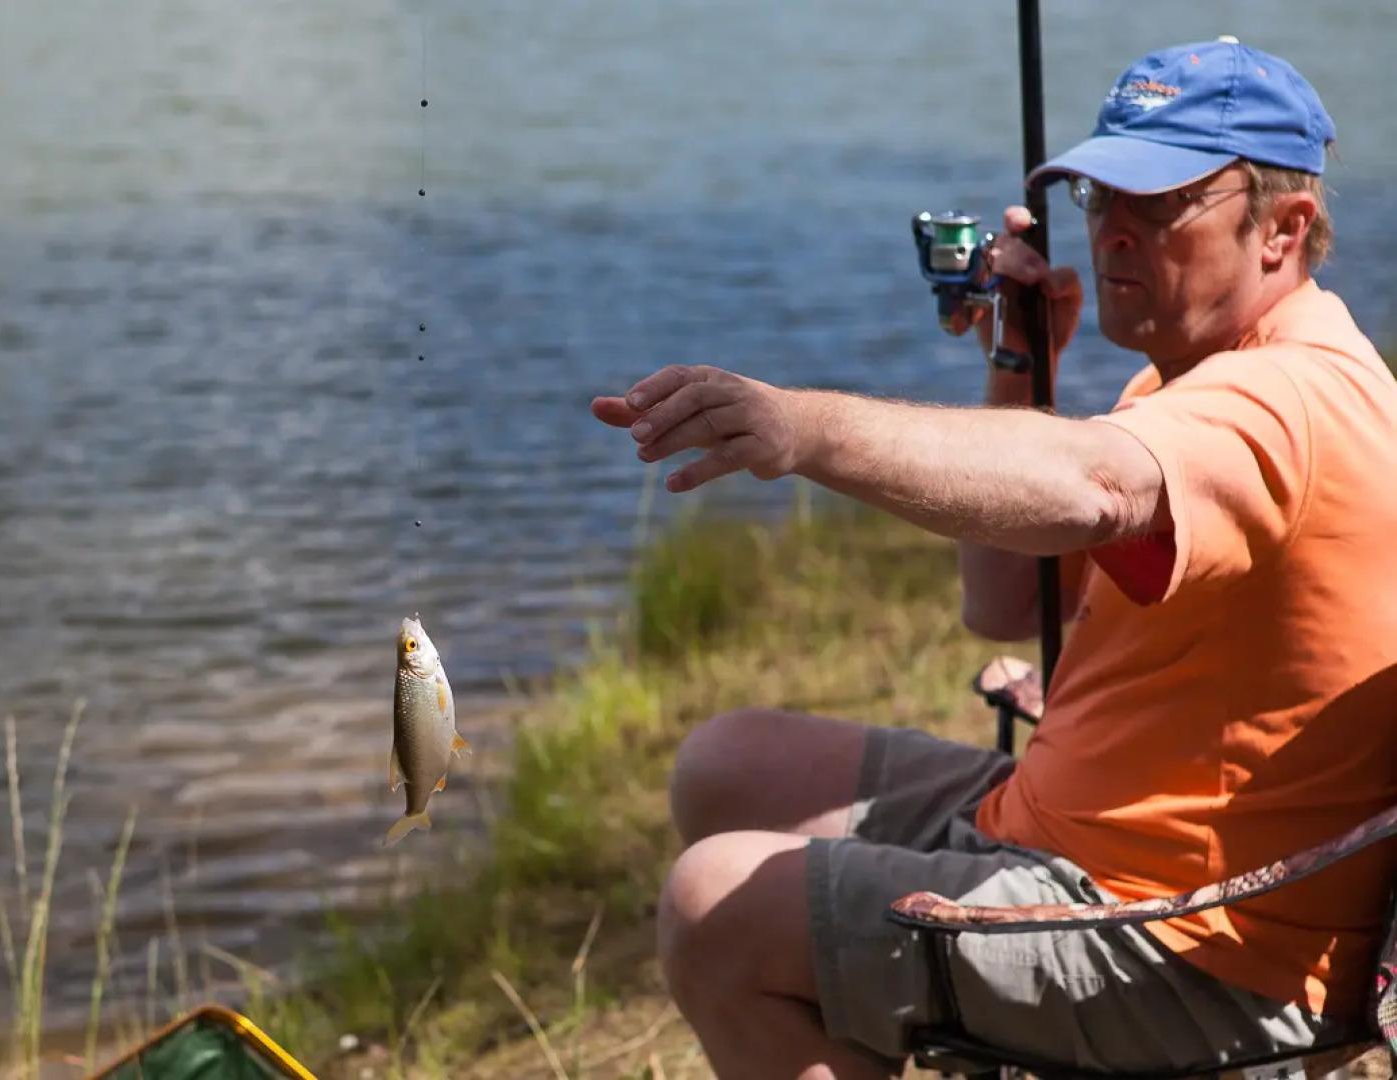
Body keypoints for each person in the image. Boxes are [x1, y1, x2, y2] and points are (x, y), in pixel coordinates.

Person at [589, 38, 1397, 1080]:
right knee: (727, 765)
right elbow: (1005, 600)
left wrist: (801, 431)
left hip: (1192, 941)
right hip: (1067, 831)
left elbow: (1097, 485)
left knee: (715, 909)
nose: (1113, 232)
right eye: (1101, 198)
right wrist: (1023, 366)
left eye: (1159, 206)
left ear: (1283, 228)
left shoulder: (1291, 398)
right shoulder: (1188, 384)